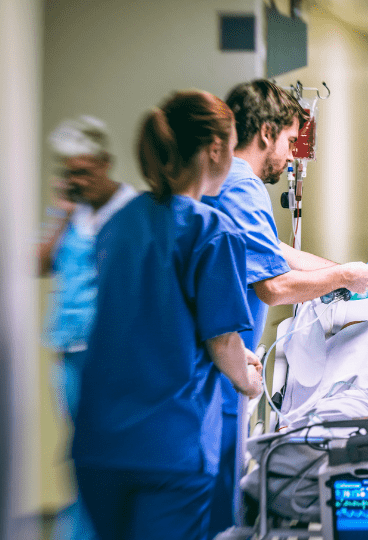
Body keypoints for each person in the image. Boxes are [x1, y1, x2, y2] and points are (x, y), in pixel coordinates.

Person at [201, 79, 368, 537]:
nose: (289, 156)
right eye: (287, 141)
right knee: (212, 499)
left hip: (215, 357)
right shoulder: (244, 187)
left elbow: (278, 253)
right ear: (266, 133)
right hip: (219, 366)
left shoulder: (228, 185)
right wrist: (345, 279)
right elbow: (275, 286)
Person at [72, 90, 264, 540]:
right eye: (232, 146)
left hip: (99, 442)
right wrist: (248, 378)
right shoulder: (211, 230)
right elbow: (223, 342)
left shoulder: (119, 223)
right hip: (169, 448)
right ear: (216, 149)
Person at [38, 115, 136, 540]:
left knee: (113, 453)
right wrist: (62, 210)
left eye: (84, 171)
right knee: (80, 452)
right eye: (69, 173)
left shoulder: (131, 209)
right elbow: (39, 263)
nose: (77, 180)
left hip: (115, 355)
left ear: (105, 163)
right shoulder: (69, 213)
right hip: (71, 350)